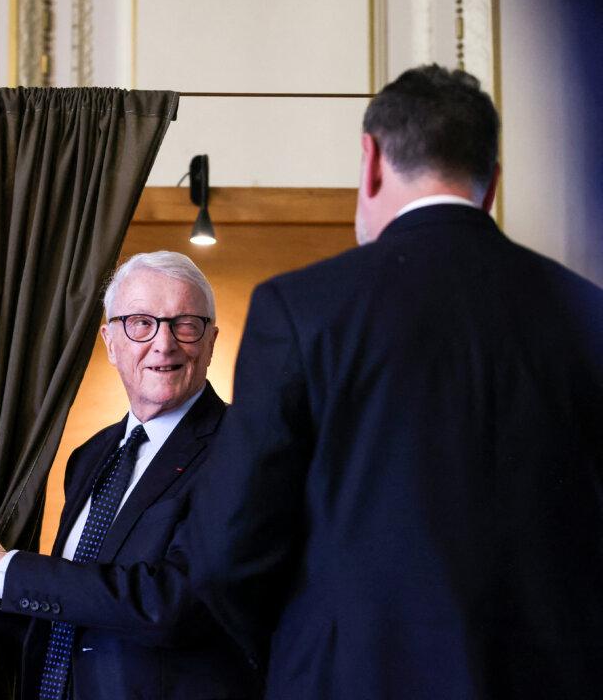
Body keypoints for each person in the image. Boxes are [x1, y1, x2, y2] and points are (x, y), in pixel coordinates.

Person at [188, 64, 603, 699]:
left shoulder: (302, 309)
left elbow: (226, 550)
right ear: (491, 182)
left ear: (371, 159)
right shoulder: (586, 314)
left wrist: (310, 644)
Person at [0, 251, 258, 699]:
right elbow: (77, 630)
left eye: (186, 324)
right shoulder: (91, 456)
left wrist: (6, 567)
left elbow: (174, 603)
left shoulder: (243, 450)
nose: (164, 343)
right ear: (109, 341)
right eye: (141, 322)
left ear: (211, 340)